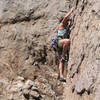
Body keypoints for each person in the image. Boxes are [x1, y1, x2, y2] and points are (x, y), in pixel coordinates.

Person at [56, 8, 74, 82]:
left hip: (61, 44)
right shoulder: (62, 24)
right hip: (60, 41)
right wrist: (72, 10)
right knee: (67, 41)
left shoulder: (65, 26)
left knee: (61, 60)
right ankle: (63, 54)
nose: (68, 20)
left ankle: (61, 75)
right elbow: (66, 17)